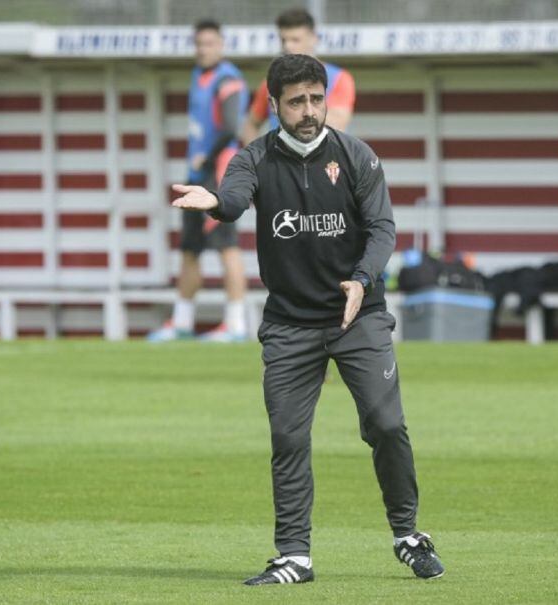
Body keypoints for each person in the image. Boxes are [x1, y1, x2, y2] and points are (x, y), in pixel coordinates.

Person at [171, 54, 444, 585]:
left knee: (387, 425)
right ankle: (294, 555)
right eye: (296, 101)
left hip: (357, 314)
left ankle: (408, 535)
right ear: (273, 106)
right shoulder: (252, 159)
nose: (309, 110)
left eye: (316, 99)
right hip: (291, 324)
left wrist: (361, 278)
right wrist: (215, 204)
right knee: (289, 437)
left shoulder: (356, 155)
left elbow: (383, 228)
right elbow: (233, 199)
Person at [148, 19, 250, 343]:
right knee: (189, 249)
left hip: (217, 175)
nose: (204, 49)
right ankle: (181, 322)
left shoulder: (228, 79)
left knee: (226, 247)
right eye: (199, 43)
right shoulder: (198, 77)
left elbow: (233, 127)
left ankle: (235, 325)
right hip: (195, 175)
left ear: (221, 45)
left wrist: (206, 160)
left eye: (210, 43)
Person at [238, 7, 355, 146]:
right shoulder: (270, 82)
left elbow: (337, 125)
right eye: (283, 40)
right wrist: (256, 161)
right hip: (279, 164)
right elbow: (250, 124)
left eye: (295, 40)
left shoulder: (339, 78)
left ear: (313, 39)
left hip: (323, 163)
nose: (288, 46)